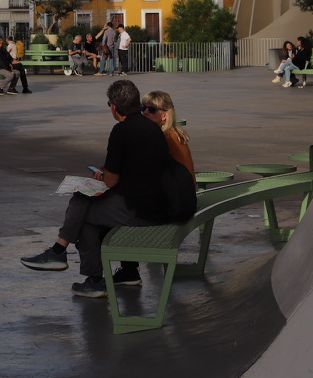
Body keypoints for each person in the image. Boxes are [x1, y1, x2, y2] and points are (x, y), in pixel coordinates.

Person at [20, 79, 171, 298]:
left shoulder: (122, 130)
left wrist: (104, 176)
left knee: (82, 204)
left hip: (144, 212)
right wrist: (110, 174)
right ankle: (93, 274)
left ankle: (65, 256)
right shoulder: (151, 127)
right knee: (85, 207)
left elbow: (111, 181)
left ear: (113, 107)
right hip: (157, 204)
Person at [112, 89, 197, 288]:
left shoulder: (164, 137)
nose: (145, 113)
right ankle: (128, 270)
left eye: (151, 109)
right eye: (142, 108)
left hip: (176, 203)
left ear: (165, 114)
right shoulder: (175, 133)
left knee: (125, 209)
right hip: (183, 197)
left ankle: (128, 270)